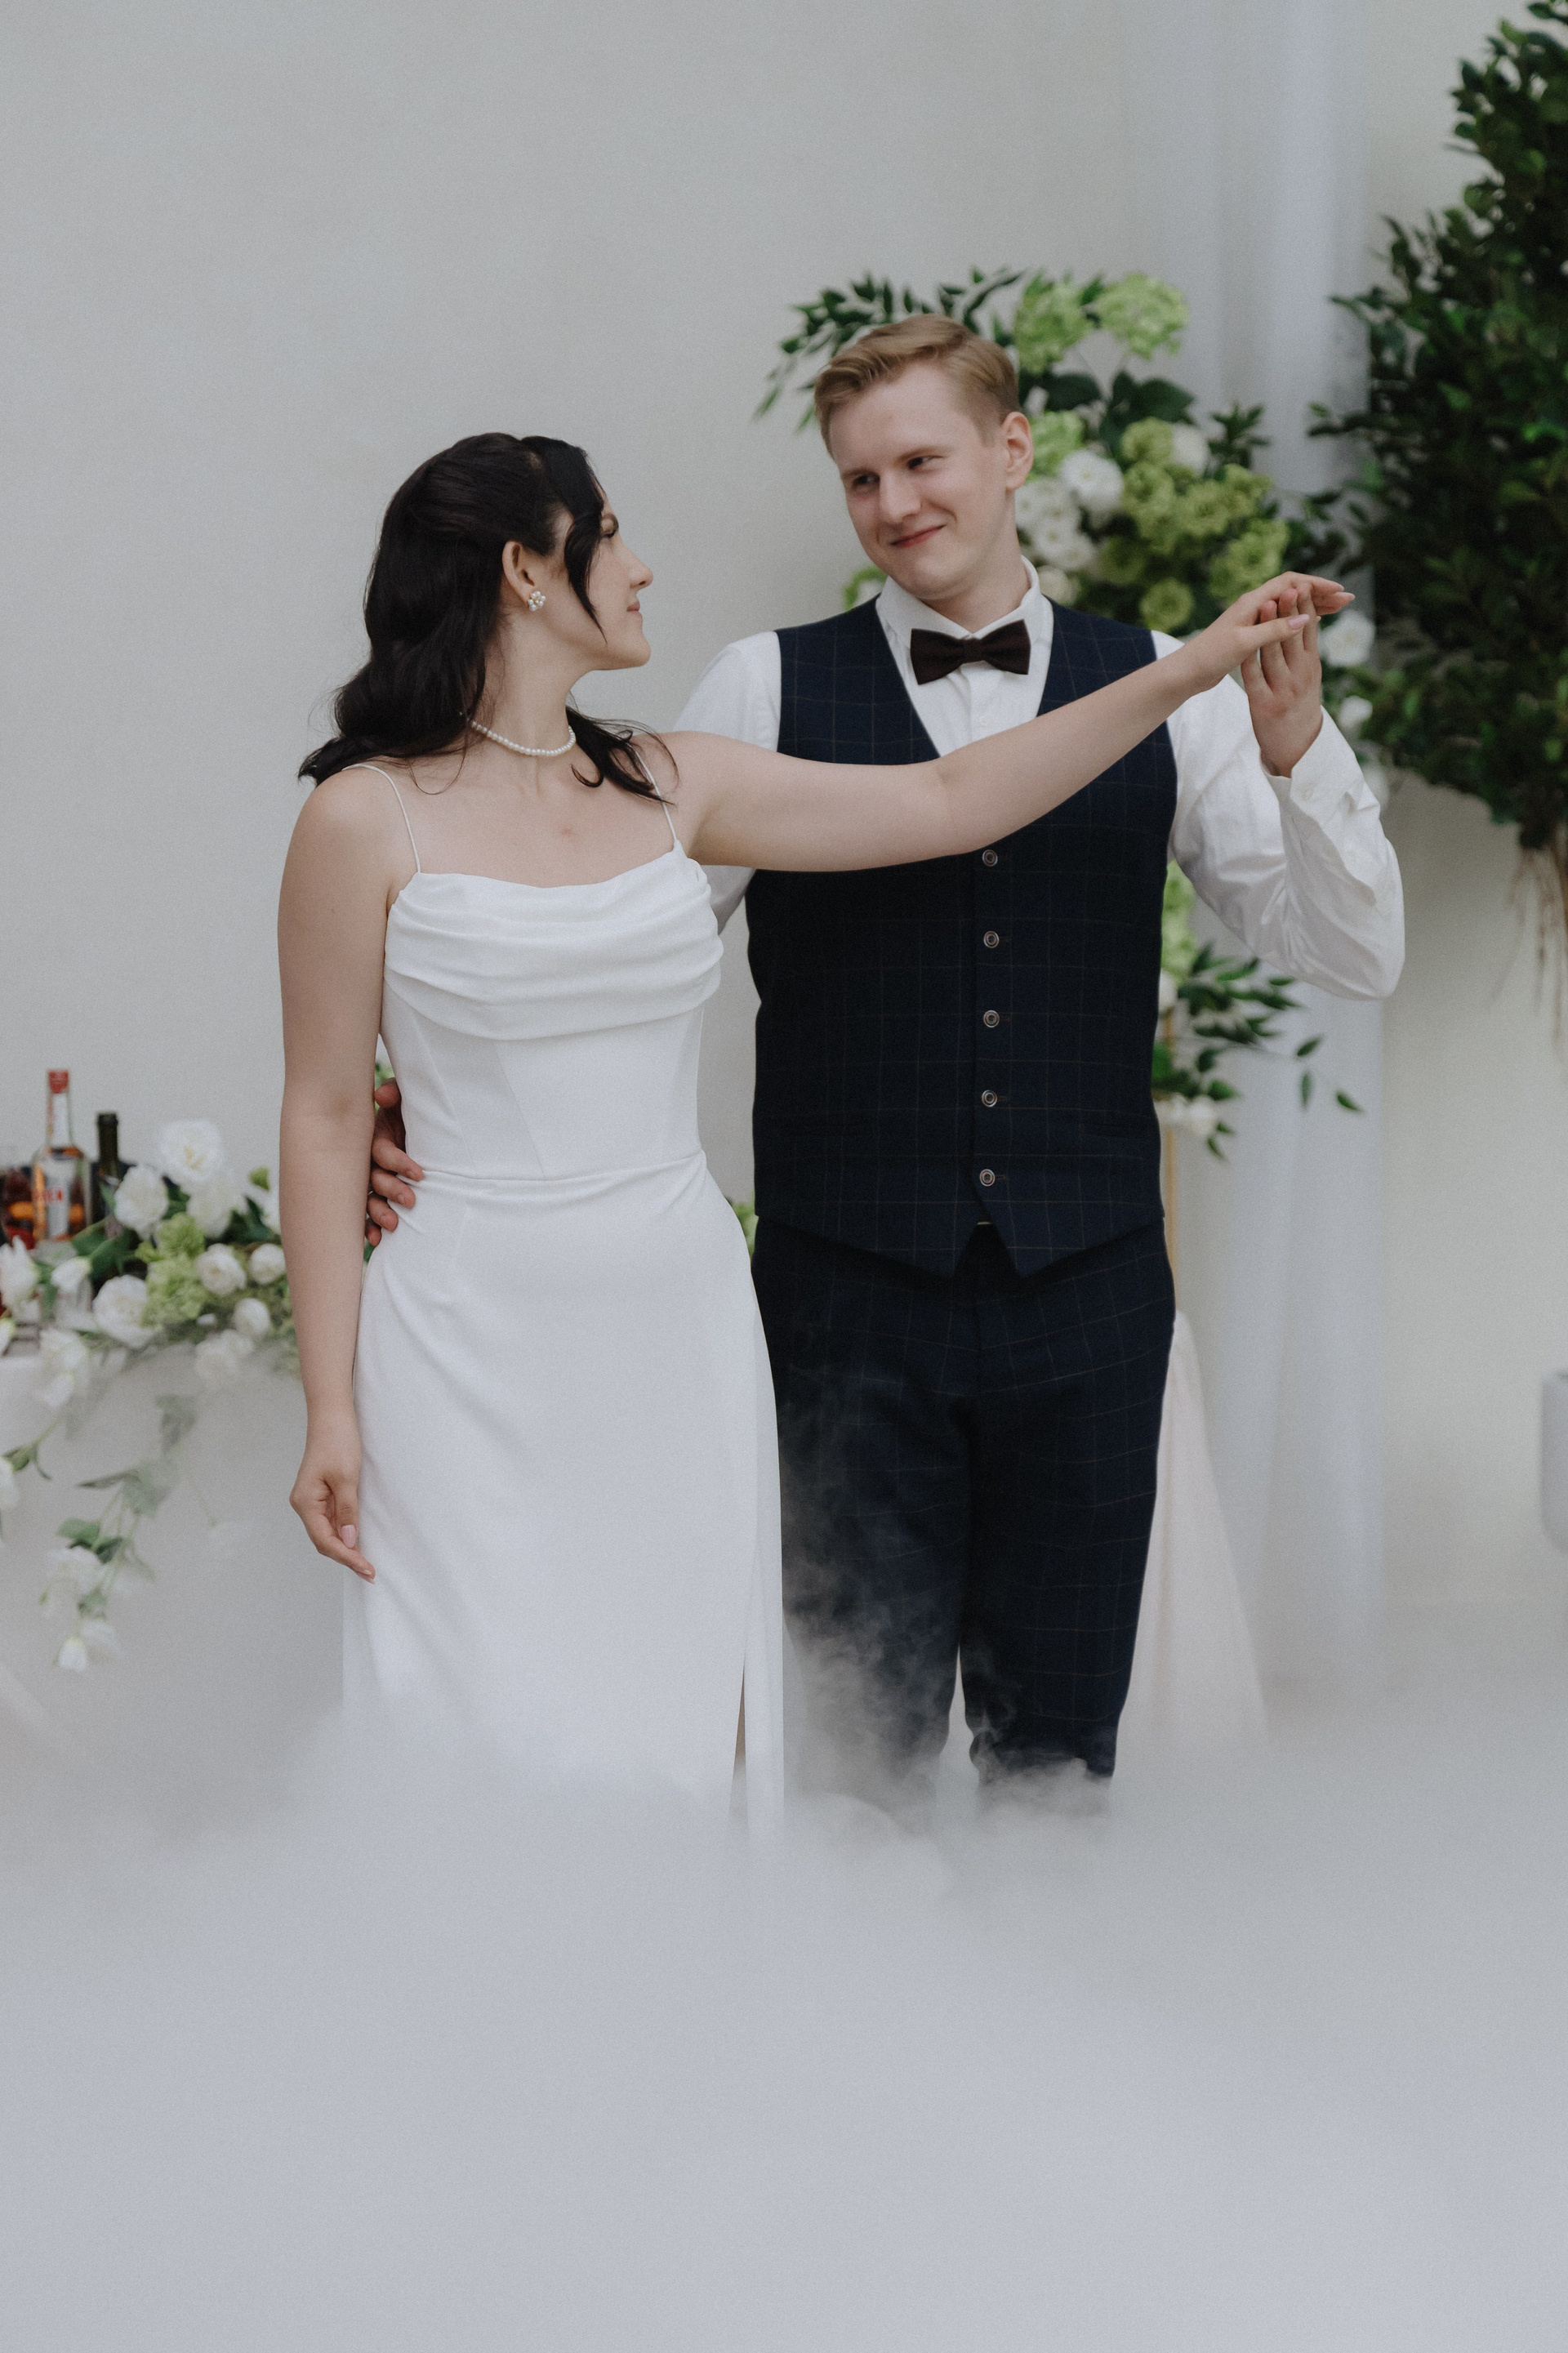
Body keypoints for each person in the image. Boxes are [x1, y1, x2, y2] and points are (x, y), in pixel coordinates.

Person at [308, 429, 1341, 1820]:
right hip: (462, 1329)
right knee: (470, 1711)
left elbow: (949, 799)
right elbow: (323, 1109)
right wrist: (330, 1404)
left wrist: (1187, 669)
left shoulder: (677, 780)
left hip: (676, 1322)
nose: (643, 565)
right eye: (611, 535)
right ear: (525, 570)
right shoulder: (360, 816)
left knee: (681, 1717)